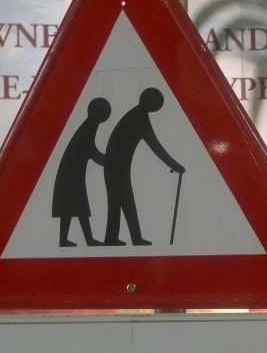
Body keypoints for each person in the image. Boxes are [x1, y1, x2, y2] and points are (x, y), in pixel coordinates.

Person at [103, 88, 184, 246]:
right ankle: (134, 238)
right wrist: (175, 166)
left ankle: (113, 238)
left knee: (117, 202)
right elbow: (155, 146)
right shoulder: (139, 118)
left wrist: (175, 165)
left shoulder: (135, 114)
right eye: (157, 103)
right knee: (125, 201)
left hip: (114, 166)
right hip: (117, 167)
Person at [52, 97, 111, 247]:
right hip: (72, 174)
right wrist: (108, 160)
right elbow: (90, 150)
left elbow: (89, 150)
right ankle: (85, 240)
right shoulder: (89, 127)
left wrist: (105, 160)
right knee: (78, 206)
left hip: (72, 172)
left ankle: (67, 240)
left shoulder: (89, 125)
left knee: (72, 206)